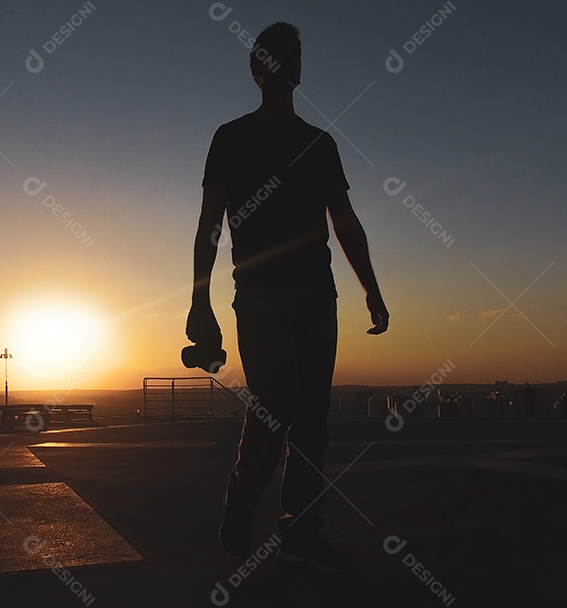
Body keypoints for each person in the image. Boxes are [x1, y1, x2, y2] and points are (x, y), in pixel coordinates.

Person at [186, 21, 389, 573]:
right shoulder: (231, 138)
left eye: (296, 54)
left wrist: (370, 286)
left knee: (314, 421)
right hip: (260, 295)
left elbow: (344, 220)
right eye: (277, 54)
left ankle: (300, 528)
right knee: (275, 405)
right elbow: (210, 224)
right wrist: (200, 299)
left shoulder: (319, 144)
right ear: (257, 68)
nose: (288, 62)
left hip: (318, 297)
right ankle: (242, 498)